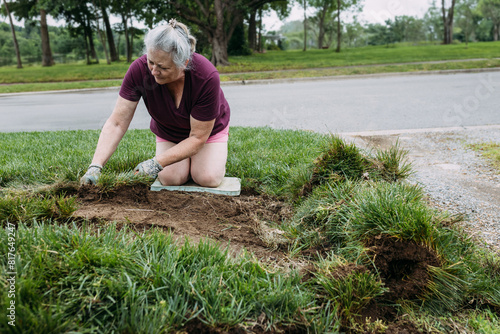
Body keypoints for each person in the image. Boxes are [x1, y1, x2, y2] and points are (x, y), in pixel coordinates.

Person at [80, 19, 230, 188]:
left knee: (207, 178)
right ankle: (186, 164)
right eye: (151, 62)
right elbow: (117, 123)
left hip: (205, 133)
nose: (153, 72)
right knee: (171, 179)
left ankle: (207, 158)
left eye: (163, 67)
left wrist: (154, 163)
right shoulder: (138, 70)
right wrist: (95, 166)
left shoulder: (206, 77)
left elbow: (197, 137)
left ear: (184, 64)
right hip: (170, 131)